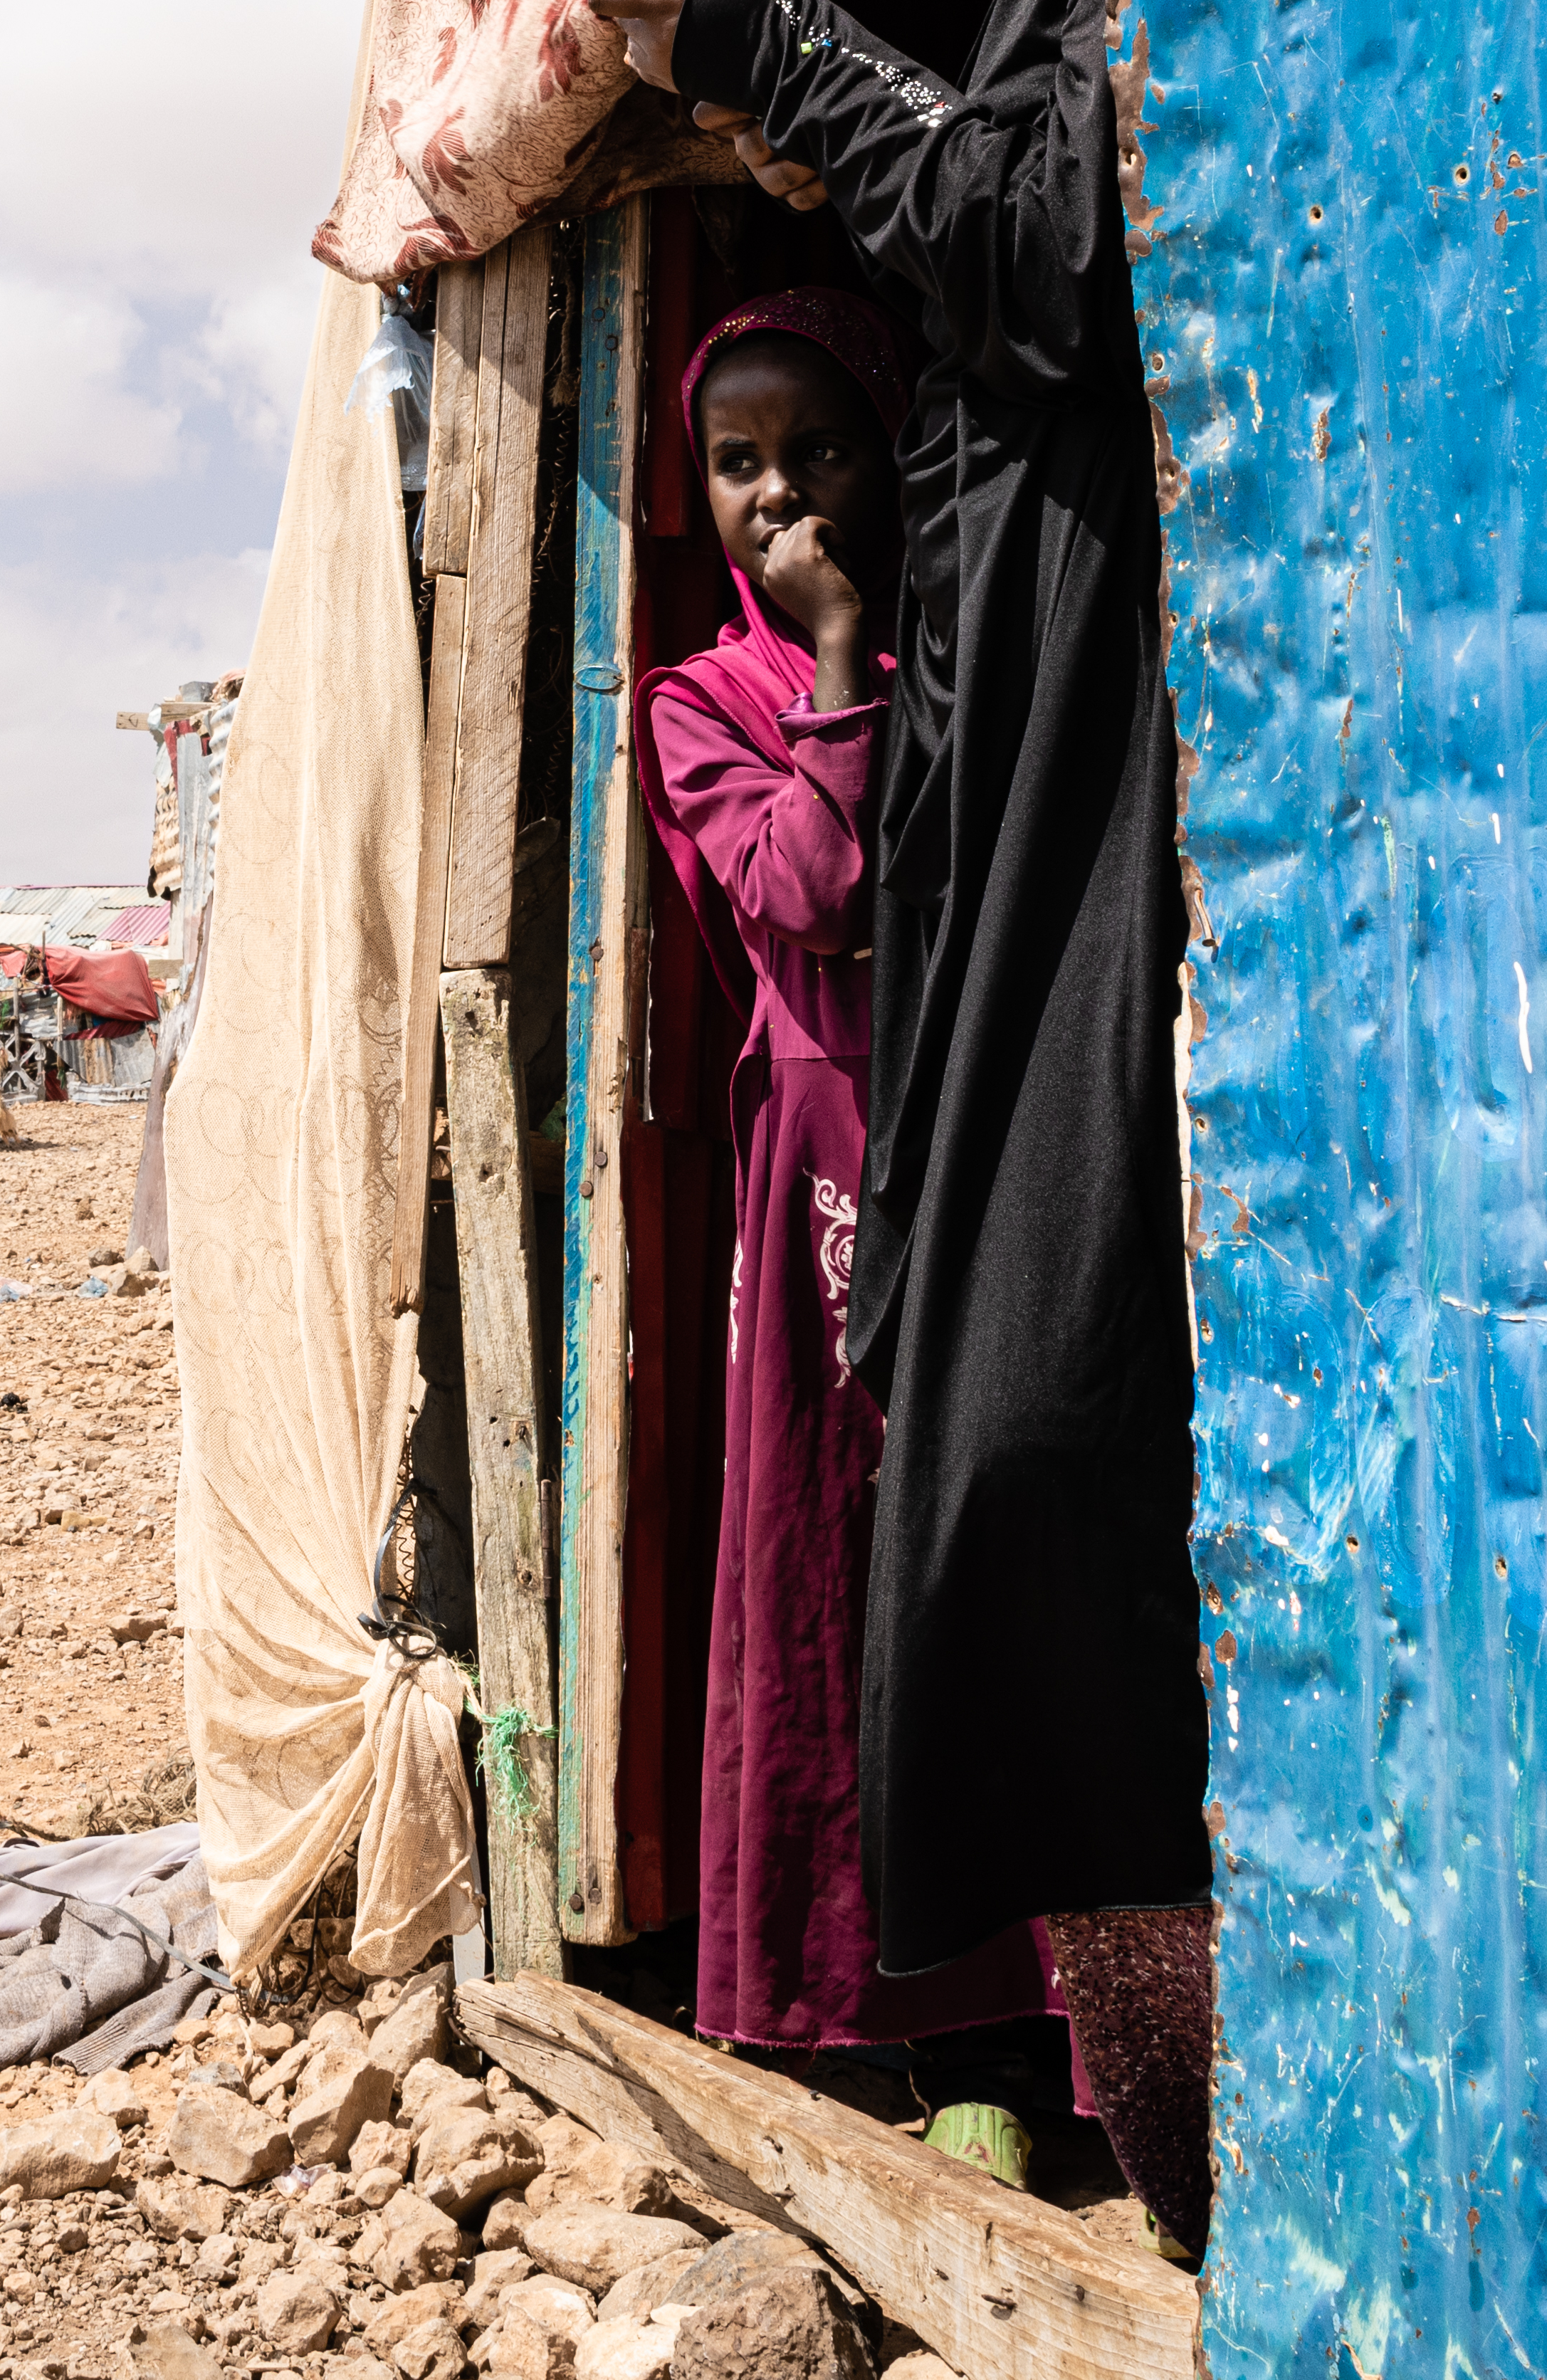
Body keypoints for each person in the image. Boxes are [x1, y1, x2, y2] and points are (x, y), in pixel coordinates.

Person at [573, 0, 1216, 2265]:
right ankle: (1057, 2043)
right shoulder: (704, 699)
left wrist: (770, 43)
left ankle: (1157, 2084)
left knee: (1044, 1430)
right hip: (962, 883)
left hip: (1082, 786)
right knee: (954, 1467)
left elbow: (1047, 228)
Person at [634, 283, 1059, 2094]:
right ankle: (874, 2014)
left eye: (817, 446)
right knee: (841, 1561)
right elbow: (813, 889)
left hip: (991, 1130)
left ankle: (1038, 2014)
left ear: (891, 454)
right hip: (827, 1157)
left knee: (994, 1542)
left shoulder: (976, 651)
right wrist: (829, 651)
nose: (779, 490)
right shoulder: (699, 699)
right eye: (736, 459)